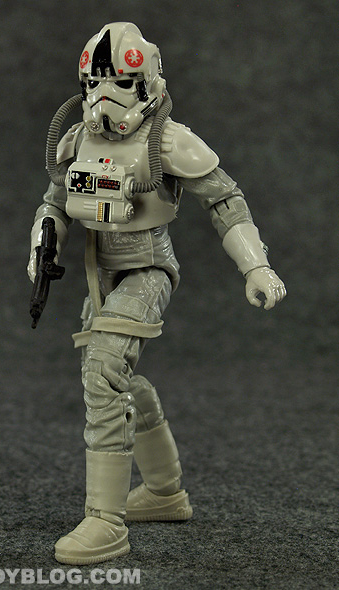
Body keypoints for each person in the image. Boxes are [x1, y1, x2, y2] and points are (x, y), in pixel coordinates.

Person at [27, 22, 286, 565]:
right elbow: (55, 203)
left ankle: (105, 519)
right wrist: (42, 246)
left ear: (146, 83)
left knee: (103, 370)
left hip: (147, 268)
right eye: (94, 84)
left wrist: (256, 266)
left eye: (120, 82)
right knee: (111, 377)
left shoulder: (166, 140)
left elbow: (225, 200)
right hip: (99, 272)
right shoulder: (77, 139)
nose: (105, 96)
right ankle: (165, 492)